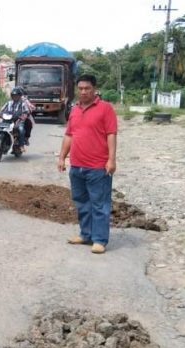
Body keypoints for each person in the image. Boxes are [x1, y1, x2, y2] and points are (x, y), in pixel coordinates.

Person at [57, 74, 117, 254]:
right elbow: (69, 135)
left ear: (94, 89)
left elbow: (111, 134)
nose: (83, 92)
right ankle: (85, 234)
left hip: (98, 167)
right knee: (82, 202)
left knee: (99, 204)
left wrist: (111, 159)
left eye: (87, 89)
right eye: (81, 88)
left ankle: (99, 240)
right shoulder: (74, 110)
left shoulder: (105, 109)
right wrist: (62, 157)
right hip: (77, 166)